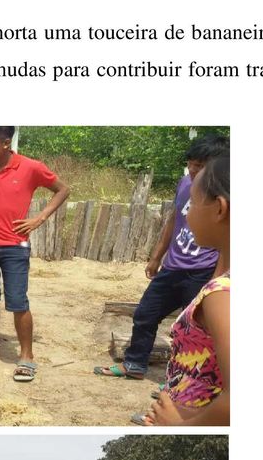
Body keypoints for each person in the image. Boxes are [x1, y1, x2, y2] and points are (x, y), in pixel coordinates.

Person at [94, 134, 229, 384]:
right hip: (173, 266)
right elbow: (173, 219)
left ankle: (184, 384)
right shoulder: (184, 184)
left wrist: (216, 278)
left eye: (200, 166)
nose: (192, 170)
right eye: (191, 163)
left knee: (195, 332)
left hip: (204, 270)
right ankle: (135, 363)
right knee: (145, 313)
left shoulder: (224, 196)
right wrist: (157, 256)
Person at [0, 128, 70, 383]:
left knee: (18, 301)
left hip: (14, 247)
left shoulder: (30, 167)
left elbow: (62, 189)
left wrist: (39, 218)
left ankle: (26, 356)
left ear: (6, 144)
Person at [140, 152, 230, 426]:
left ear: (219, 208)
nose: (186, 212)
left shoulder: (221, 296)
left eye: (193, 202)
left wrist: (180, 426)